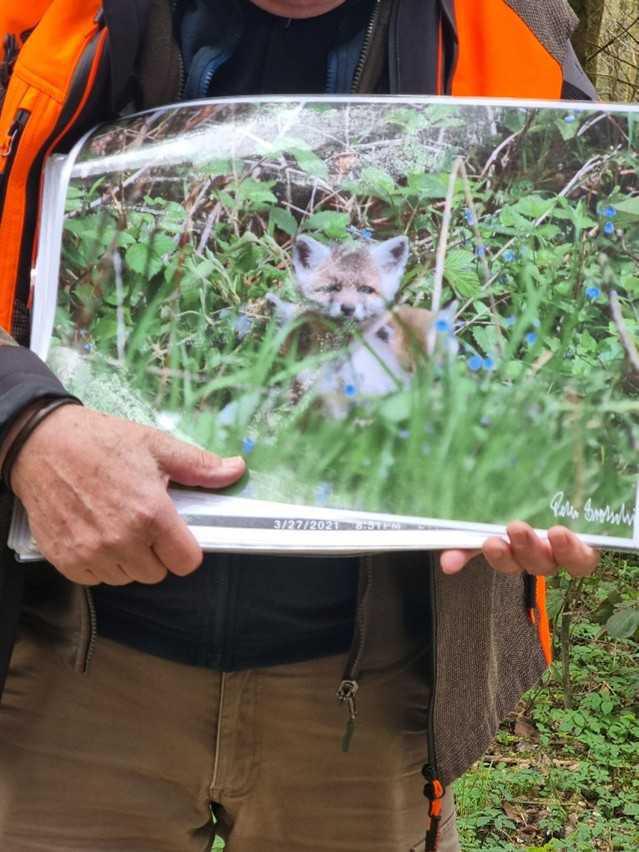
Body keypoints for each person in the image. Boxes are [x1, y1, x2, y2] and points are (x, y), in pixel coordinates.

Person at [0, 1, 600, 850]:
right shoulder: (33, 18)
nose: (351, 308)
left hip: (363, 696)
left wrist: (544, 476)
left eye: (366, 297)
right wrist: (20, 417)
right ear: (300, 275)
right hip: (67, 674)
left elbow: (587, 321)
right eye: (335, 295)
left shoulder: (507, 25)